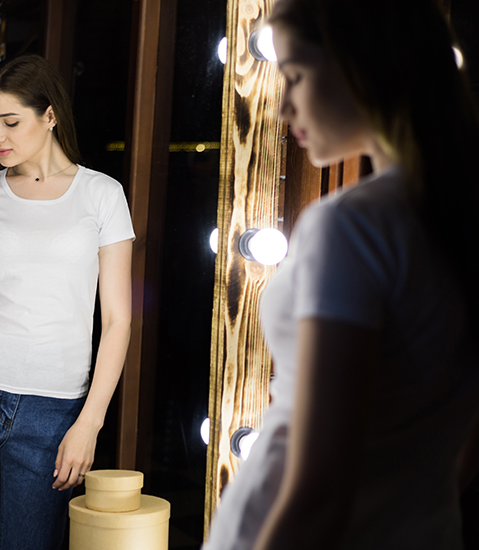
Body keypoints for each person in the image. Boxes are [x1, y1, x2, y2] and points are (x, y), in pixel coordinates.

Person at [204, 0, 479, 548]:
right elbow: (464, 451)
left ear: (362, 62)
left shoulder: (353, 226)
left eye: (296, 76)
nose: (283, 106)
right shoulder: (456, 217)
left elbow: (319, 493)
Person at [0, 54, 135, 549]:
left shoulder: (101, 195)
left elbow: (117, 321)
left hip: (54, 407)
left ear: (49, 115)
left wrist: (90, 422)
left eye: (10, 121)